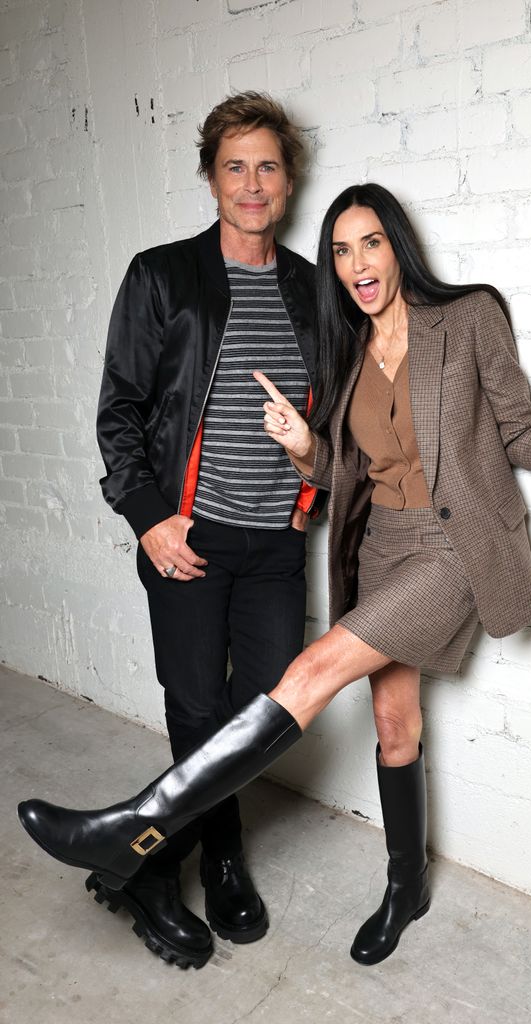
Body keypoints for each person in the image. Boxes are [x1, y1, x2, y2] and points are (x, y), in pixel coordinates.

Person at [18, 184, 531, 968]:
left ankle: (131, 830)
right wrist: (300, 444)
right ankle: (407, 885)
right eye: (340, 251)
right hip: (380, 548)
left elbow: (517, 433)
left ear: (398, 246)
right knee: (396, 727)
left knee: (312, 669)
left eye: (371, 243)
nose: (357, 264)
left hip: (452, 548)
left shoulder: (468, 318)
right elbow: (344, 472)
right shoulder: (342, 348)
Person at [88, 92, 323, 969]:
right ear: (210, 177)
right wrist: (148, 519)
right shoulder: (162, 275)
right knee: (194, 708)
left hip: (276, 541)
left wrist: (312, 463)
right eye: (235, 166)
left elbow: (330, 425)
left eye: (268, 165)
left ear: (288, 180)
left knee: (261, 715)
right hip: (189, 534)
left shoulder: (312, 290)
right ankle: (214, 858)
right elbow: (120, 413)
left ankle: (139, 858)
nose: (252, 184)